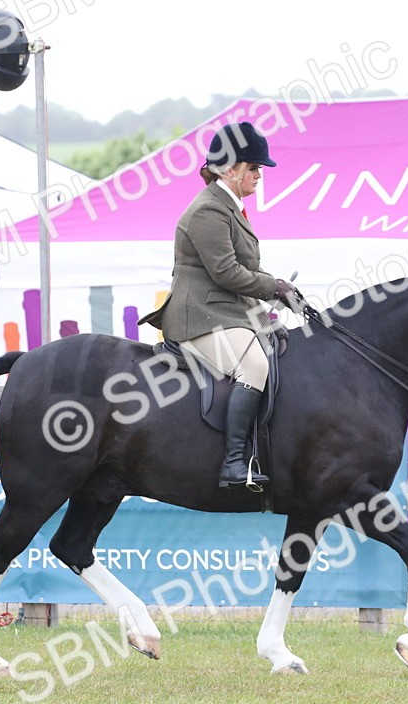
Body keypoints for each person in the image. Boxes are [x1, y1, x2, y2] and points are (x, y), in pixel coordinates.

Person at [139, 122, 295, 490]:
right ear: (229, 169)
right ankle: (233, 463)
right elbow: (227, 273)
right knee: (254, 366)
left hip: (226, 311)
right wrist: (275, 286)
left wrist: (271, 302)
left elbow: (242, 273)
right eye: (253, 167)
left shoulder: (231, 206)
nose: (259, 175)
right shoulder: (208, 210)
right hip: (199, 317)